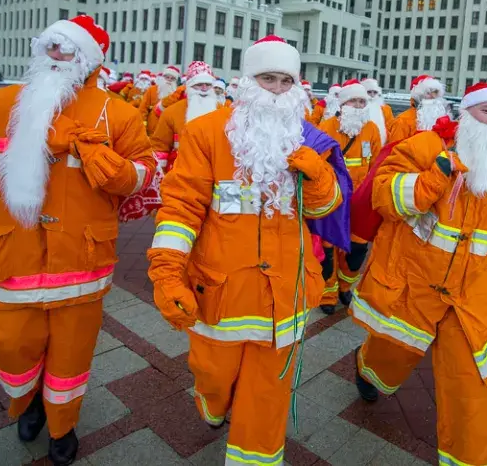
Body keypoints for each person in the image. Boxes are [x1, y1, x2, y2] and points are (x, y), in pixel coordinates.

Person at [0, 16, 155, 465]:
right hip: (14, 256)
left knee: (71, 356)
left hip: (82, 261)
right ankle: (28, 402)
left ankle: (62, 425)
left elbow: (141, 177)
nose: (55, 55)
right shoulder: (3, 103)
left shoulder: (118, 112)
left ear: (88, 59)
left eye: (66, 49)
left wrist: (88, 150)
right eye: (49, 46)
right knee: (13, 346)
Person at [147, 35, 349, 465]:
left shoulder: (310, 139)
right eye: (267, 78)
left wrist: (318, 177)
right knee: (212, 378)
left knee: (267, 399)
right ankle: (213, 403)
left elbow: (328, 210)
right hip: (222, 294)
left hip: (285, 298)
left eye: (284, 81)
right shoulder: (205, 133)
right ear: (246, 81)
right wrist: (167, 274)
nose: (276, 90)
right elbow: (181, 208)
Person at [351, 82, 487, 466]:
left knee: (477, 387)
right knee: (390, 353)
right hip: (413, 284)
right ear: (466, 113)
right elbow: (383, 194)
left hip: (471, 296)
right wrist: (433, 179)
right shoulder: (426, 147)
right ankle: (367, 369)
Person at [317, 79, 381, 313]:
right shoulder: (327, 127)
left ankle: (346, 287)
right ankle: (327, 295)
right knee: (329, 251)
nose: (358, 105)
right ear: (343, 103)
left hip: (360, 202)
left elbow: (375, 164)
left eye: (362, 101)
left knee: (357, 251)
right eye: (353, 100)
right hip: (334, 201)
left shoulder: (371, 129)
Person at [150, 61, 221, 172]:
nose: (204, 88)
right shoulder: (171, 112)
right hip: (179, 174)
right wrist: (160, 176)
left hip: (212, 172)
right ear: (189, 86)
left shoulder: (221, 111)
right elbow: (160, 147)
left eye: (208, 85)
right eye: (199, 84)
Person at [388, 74, 450, 143]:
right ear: (418, 95)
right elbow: (394, 150)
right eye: (428, 92)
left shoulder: (443, 120)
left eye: (435, 92)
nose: (433, 96)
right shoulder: (402, 121)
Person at [139, 65, 185, 134]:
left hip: (168, 130)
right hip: (151, 129)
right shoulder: (152, 90)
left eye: (172, 78)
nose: (169, 80)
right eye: (167, 77)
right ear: (163, 77)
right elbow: (143, 109)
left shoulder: (177, 94)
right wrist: (143, 126)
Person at [361, 77, 393, 146]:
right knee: (367, 156)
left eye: (375, 92)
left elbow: (391, 127)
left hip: (382, 145)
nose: (372, 95)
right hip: (364, 144)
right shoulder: (359, 109)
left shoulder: (386, 109)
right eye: (369, 92)